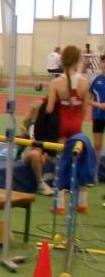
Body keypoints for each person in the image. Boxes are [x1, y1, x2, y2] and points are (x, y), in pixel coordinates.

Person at [47, 45, 90, 212]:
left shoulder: (55, 82)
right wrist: (77, 117)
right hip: (76, 123)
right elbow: (85, 109)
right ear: (78, 60)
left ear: (62, 60)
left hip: (62, 124)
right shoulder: (84, 82)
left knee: (61, 162)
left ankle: (59, 205)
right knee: (78, 160)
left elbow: (50, 109)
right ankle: (82, 202)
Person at [17, 99, 56, 196]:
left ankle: (58, 182)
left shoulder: (47, 124)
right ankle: (40, 184)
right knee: (35, 154)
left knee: (46, 155)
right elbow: (29, 144)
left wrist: (46, 153)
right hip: (29, 152)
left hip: (42, 151)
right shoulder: (30, 125)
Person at [90, 55, 105, 160]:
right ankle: (96, 168)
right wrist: (99, 105)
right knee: (97, 145)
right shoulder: (95, 79)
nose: (104, 64)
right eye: (103, 62)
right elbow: (87, 99)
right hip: (98, 116)